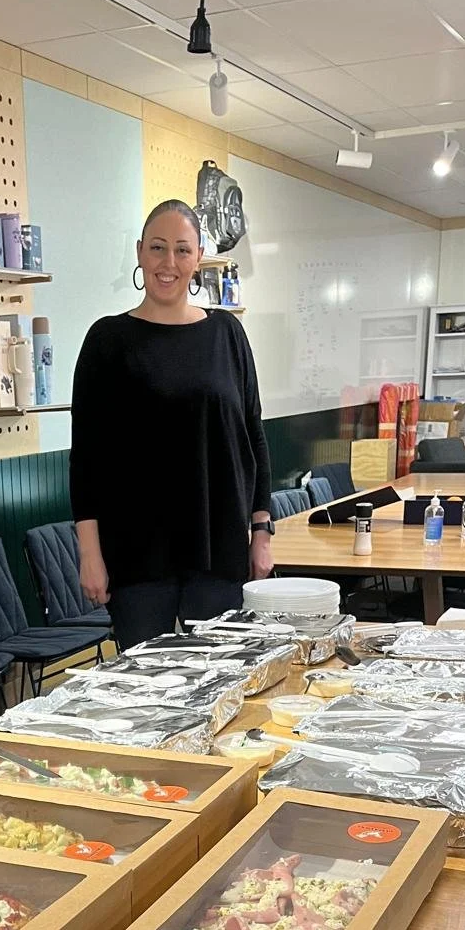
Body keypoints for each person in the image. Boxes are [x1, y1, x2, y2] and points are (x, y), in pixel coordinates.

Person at [69, 199, 273, 651]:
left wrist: (261, 531)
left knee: (221, 678)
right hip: (137, 557)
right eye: (158, 247)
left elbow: (253, 437)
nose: (169, 262)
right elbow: (85, 459)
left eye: (182, 250)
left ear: (198, 257)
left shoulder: (227, 334)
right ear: (140, 252)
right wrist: (89, 554)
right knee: (143, 685)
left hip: (218, 549)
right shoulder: (107, 341)